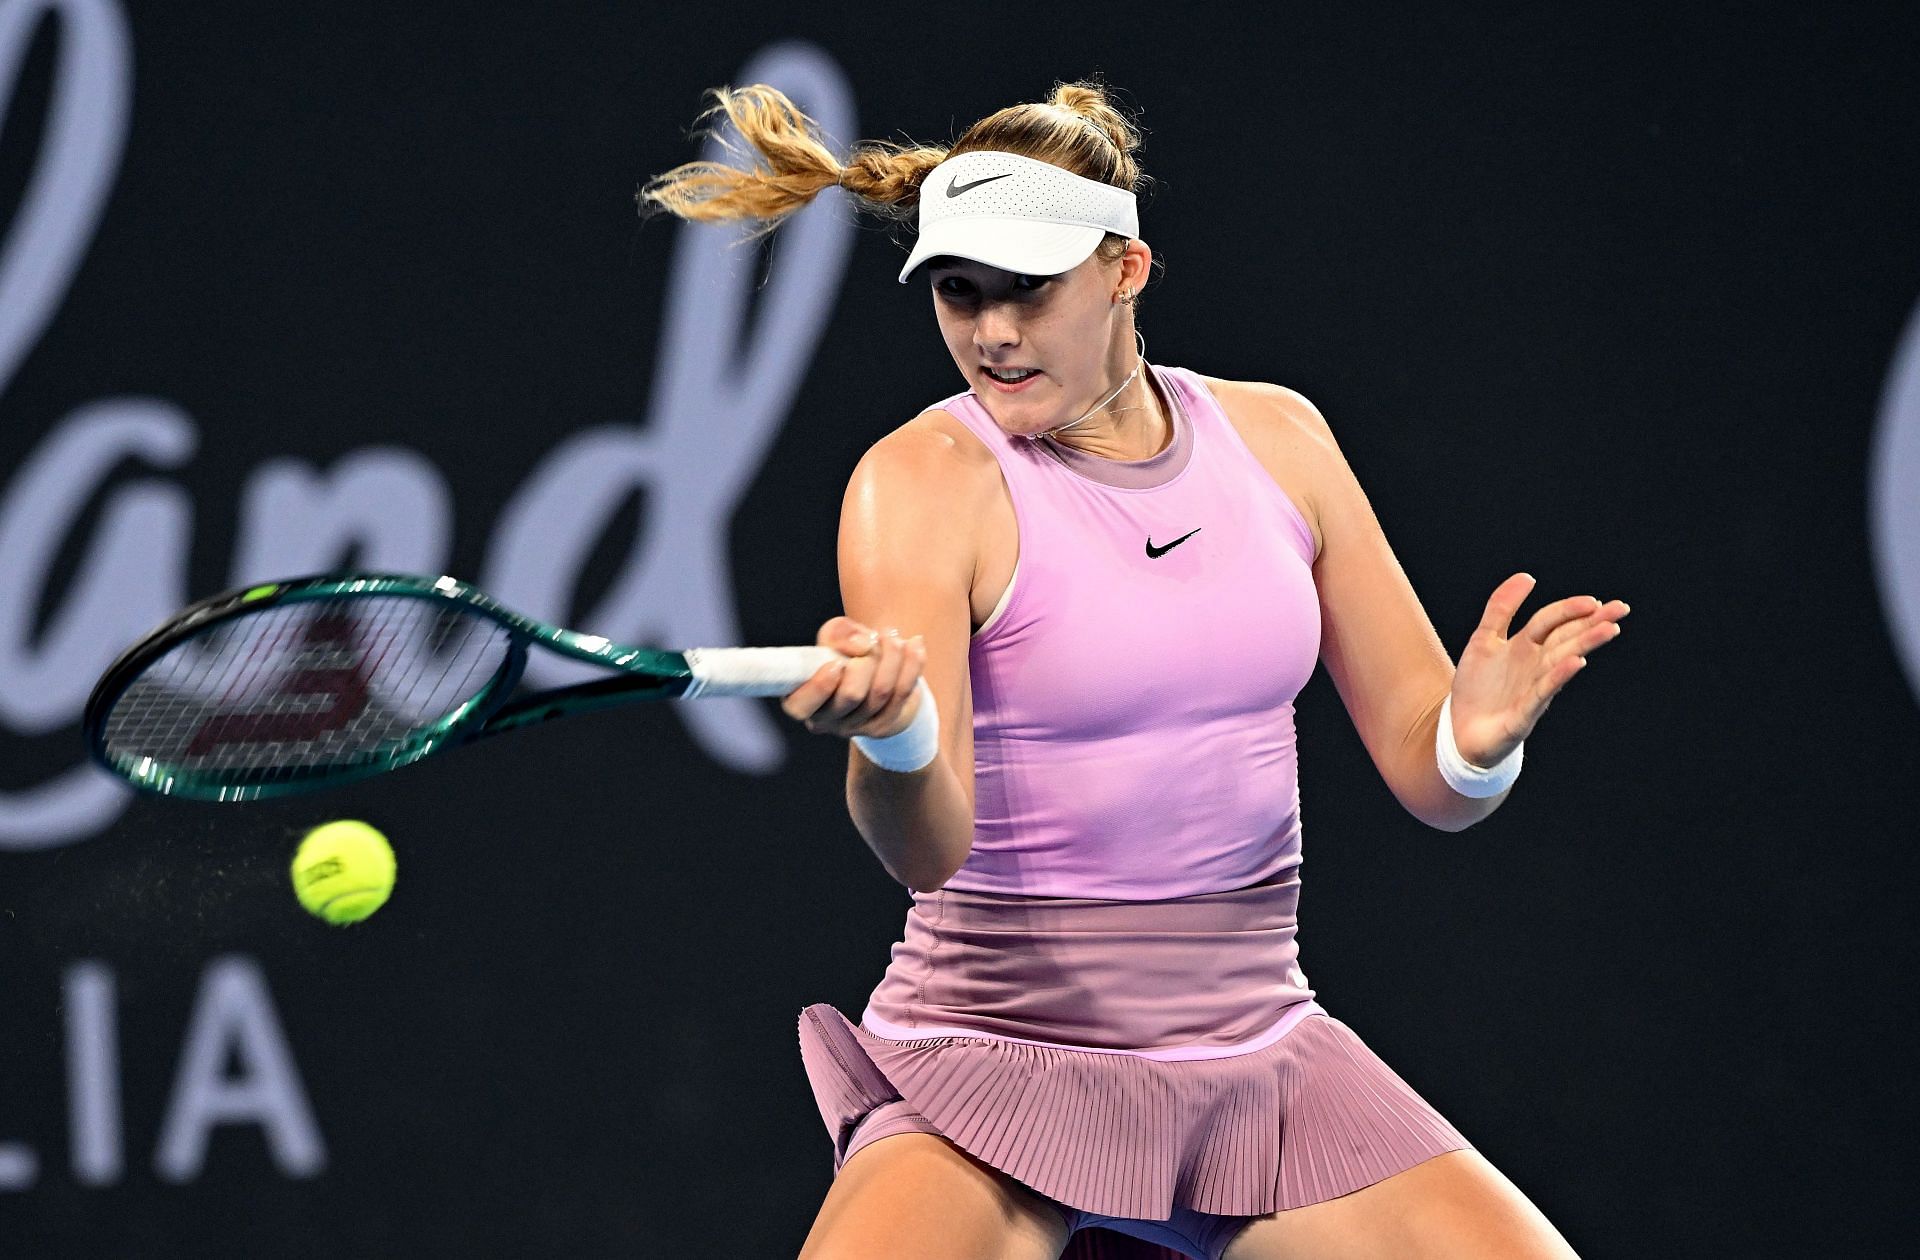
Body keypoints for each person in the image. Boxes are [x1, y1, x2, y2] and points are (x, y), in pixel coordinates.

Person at [640, 78, 1624, 1260]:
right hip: (991, 1065)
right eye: (961, 293)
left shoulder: (1281, 441)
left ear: (1126, 270)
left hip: (1258, 1066)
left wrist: (1476, 741)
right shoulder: (918, 484)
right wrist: (893, 739)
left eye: (1029, 291)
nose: (993, 333)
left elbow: (1432, 774)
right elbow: (924, 847)